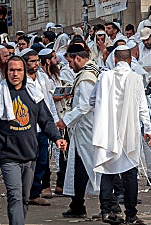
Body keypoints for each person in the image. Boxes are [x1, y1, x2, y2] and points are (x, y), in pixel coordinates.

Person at [0, 56, 67, 225]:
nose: (15, 74)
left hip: (29, 154)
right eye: (11, 70)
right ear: (6, 72)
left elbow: (46, 120)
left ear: (24, 72)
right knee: (15, 197)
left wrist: (57, 138)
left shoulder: (33, 93)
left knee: (24, 198)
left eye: (19, 70)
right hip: (8, 155)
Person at [91, 45, 151, 224]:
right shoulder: (136, 78)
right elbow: (143, 107)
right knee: (130, 173)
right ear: (131, 59)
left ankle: (106, 211)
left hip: (106, 131)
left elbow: (92, 100)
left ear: (115, 59)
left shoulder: (104, 77)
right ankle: (131, 214)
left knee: (107, 171)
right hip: (129, 132)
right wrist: (147, 129)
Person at [57, 44, 101, 218]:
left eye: (69, 61)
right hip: (84, 128)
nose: (69, 65)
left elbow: (85, 105)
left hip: (87, 128)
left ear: (77, 58)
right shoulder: (91, 71)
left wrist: (65, 121)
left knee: (88, 166)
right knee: (79, 166)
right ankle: (77, 204)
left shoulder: (86, 77)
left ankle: (108, 204)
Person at [20, 49, 60, 206]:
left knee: (42, 161)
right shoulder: (21, 80)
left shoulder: (43, 78)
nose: (36, 64)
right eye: (32, 61)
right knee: (27, 162)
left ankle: (34, 193)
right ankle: (24, 192)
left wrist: (54, 120)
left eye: (37, 61)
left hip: (42, 127)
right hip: (27, 128)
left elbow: (49, 101)